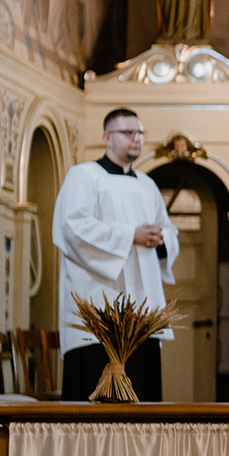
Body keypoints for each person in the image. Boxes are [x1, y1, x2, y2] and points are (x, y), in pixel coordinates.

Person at [53, 108, 178, 401]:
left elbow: (169, 231)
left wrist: (161, 239)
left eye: (139, 133)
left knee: (142, 400)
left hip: (142, 314)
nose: (136, 139)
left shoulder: (147, 185)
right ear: (107, 137)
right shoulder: (83, 176)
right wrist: (130, 235)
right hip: (98, 308)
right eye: (127, 133)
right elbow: (73, 228)